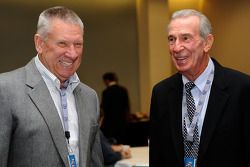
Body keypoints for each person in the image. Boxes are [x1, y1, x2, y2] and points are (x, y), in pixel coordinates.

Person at [0, 6, 103, 167]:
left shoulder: (90, 97)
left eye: (78, 44)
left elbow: (95, 161)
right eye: (62, 44)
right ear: (39, 43)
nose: (73, 53)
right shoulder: (5, 90)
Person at [149, 9, 250, 167]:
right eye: (171, 39)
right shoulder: (161, 93)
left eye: (185, 38)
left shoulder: (242, 89)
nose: (176, 48)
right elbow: (157, 157)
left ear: (207, 43)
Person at [100, 72, 130, 144]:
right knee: (122, 143)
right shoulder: (123, 90)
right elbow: (127, 106)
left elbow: (104, 107)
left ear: (106, 80)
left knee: (111, 145)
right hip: (122, 122)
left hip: (110, 123)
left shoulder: (106, 92)